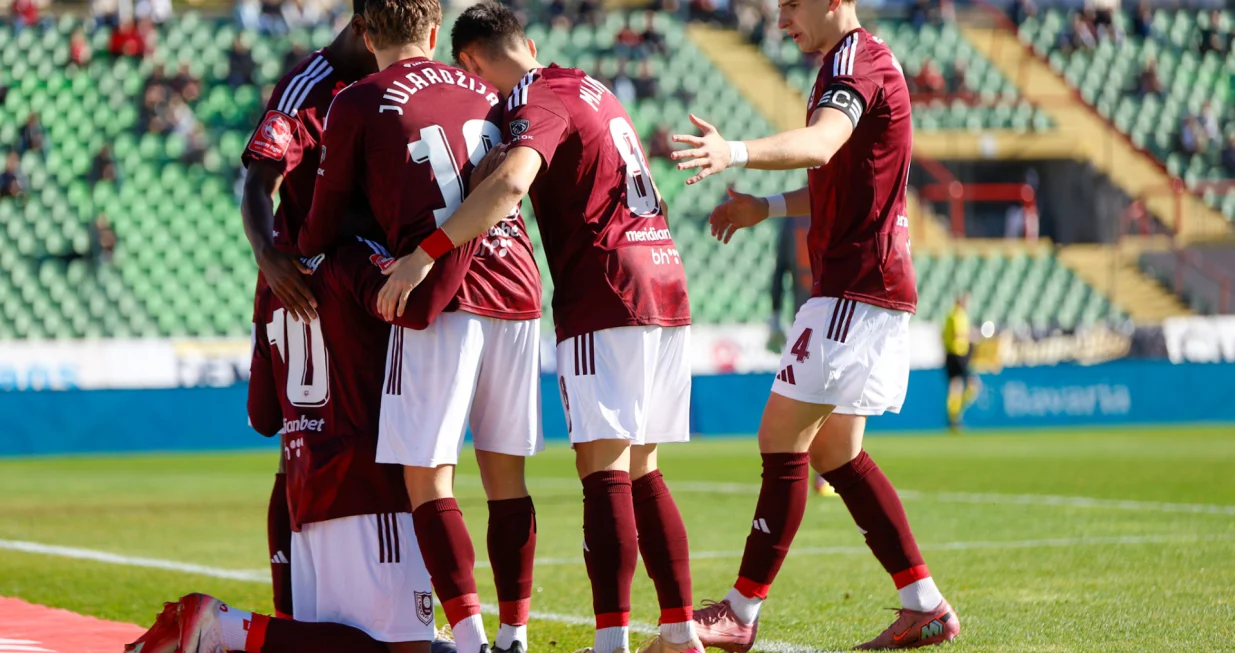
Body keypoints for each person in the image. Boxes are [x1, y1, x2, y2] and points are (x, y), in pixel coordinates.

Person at [377, 4, 698, 653]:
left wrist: (425, 252)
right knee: (643, 467)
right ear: (525, 40)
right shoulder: (589, 84)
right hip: (664, 272)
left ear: (470, 62)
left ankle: (611, 642)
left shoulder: (533, 99)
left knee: (602, 467)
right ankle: (679, 629)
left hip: (606, 289)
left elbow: (511, 186)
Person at [669, 0, 960, 648]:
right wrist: (766, 206)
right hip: (867, 281)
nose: (779, 22)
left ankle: (740, 614)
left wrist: (733, 152)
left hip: (856, 284)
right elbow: (841, 177)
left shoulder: (854, 60)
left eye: (791, 6)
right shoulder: (849, 62)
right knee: (834, 450)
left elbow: (823, 144)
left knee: (781, 439)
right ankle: (923, 602)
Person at [295, 3, 544, 653]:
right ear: (435, 34)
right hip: (517, 282)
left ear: (364, 33)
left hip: (438, 290)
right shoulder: (485, 89)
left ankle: (467, 639)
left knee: (428, 474)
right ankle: (515, 633)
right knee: (505, 478)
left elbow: (319, 228)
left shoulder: (355, 101)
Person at [125, 238, 444, 653]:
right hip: (368, 486)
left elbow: (262, 417)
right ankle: (223, 627)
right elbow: (425, 314)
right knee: (404, 649)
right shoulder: (360, 254)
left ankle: (224, 633)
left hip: (304, 493)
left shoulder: (274, 274)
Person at [238, 0, 381, 621]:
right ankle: (291, 610)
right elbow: (257, 181)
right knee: (296, 438)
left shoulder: (395, 79)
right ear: (360, 27)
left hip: (368, 286)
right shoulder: (308, 84)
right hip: (307, 287)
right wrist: (269, 256)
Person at [943, 293, 979, 429]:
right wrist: (972, 335)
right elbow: (958, 334)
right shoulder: (958, 315)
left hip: (951, 353)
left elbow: (943, 335)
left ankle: (953, 417)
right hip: (958, 354)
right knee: (972, 386)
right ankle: (955, 415)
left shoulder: (950, 314)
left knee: (955, 386)